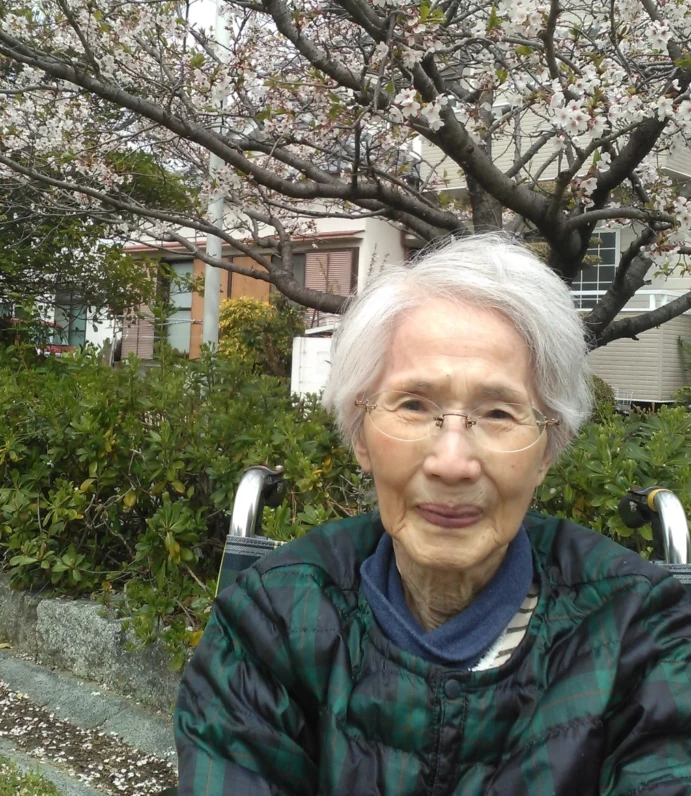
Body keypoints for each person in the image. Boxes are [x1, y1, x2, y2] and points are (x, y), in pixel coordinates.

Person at [174, 234, 691, 795]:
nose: (451, 463)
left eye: (498, 413)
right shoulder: (271, 620)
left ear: (548, 449)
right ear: (361, 436)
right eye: (414, 405)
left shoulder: (639, 629)